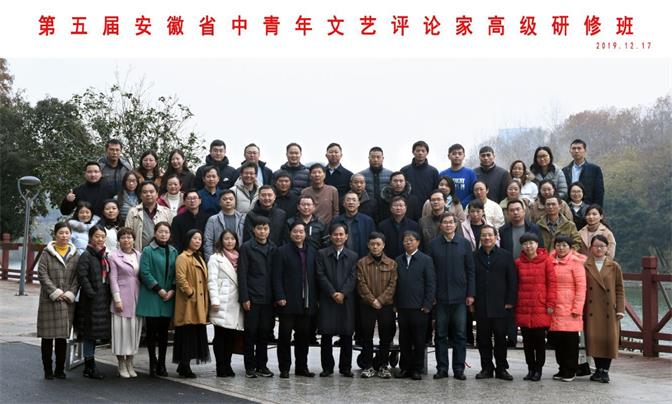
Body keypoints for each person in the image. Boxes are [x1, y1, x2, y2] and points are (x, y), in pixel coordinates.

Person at [428, 213, 474, 381]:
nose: (448, 225)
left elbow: (470, 270)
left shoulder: (464, 244)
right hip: (440, 298)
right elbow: (430, 272)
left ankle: (459, 369)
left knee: (460, 335)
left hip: (460, 297)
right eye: (445, 222)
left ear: (456, 225)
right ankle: (442, 368)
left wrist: (470, 294)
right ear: (440, 225)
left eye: (451, 222)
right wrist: (431, 294)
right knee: (440, 335)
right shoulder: (433, 245)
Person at [273, 222, 319, 378]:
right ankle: (284, 368)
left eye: (301, 231)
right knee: (285, 336)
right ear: (290, 233)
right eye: (295, 231)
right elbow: (276, 276)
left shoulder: (312, 251)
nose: (298, 234)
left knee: (303, 336)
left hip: (306, 301)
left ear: (305, 234)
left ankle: (302, 367)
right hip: (287, 301)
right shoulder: (282, 251)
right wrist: (280, 296)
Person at [473, 225, 518, 381]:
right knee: (483, 339)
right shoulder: (474, 256)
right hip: (481, 304)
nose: (487, 238)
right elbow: (471, 279)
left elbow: (512, 280)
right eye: (484, 235)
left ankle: (501, 368)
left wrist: (510, 301)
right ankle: (486, 368)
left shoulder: (505, 256)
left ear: (495, 237)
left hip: (501, 304)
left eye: (490, 235)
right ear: (480, 238)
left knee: (500, 338)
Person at [37, 222, 79, 380]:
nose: (64, 236)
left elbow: (78, 277)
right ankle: (47, 370)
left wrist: (70, 293)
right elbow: (42, 274)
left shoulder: (75, 254)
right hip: (49, 299)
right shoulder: (46, 253)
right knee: (47, 337)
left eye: (67, 233)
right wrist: (55, 292)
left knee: (62, 337)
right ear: (55, 234)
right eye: (61, 233)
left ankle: (60, 369)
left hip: (67, 301)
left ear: (70, 234)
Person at [316, 223, 359, 378]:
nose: (338, 237)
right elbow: (320, 275)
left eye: (341, 234)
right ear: (330, 236)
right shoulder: (321, 254)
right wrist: (333, 293)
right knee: (326, 334)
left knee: (346, 334)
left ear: (346, 237)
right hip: (327, 298)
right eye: (335, 234)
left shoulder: (353, 256)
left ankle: (345, 367)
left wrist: (343, 293)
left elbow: (353, 277)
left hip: (346, 300)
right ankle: (327, 367)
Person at [136, 222, 178, 377]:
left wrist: (172, 289)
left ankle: (162, 363)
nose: (163, 234)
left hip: (168, 296)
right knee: (152, 333)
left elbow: (177, 273)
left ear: (170, 234)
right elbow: (144, 272)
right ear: (155, 233)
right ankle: (152, 363)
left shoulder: (173, 251)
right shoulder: (148, 250)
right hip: (152, 295)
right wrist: (159, 289)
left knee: (164, 334)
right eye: (160, 231)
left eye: (166, 232)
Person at [514, 233, 557, 382]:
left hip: (540, 306)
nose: (528, 246)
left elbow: (552, 284)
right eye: (525, 244)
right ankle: (530, 368)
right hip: (524, 307)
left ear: (537, 244)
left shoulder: (546, 261)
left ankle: (538, 369)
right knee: (527, 342)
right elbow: (515, 285)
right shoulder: (518, 263)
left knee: (539, 341)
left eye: (531, 243)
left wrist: (550, 303)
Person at [238, 216, 277, 378]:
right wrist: (244, 298)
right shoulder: (246, 247)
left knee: (264, 333)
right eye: (259, 228)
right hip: (252, 297)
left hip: (268, 298)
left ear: (269, 230)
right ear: (253, 230)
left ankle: (262, 365)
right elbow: (242, 274)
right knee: (251, 333)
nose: (262, 232)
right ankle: (250, 366)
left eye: (265, 228)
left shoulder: (273, 248)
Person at [583, 234, 625, 383]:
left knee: (608, 339)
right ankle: (598, 370)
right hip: (592, 309)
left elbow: (619, 289)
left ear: (607, 248)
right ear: (591, 248)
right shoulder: (585, 265)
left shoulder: (614, 266)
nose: (599, 249)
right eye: (596, 246)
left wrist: (620, 309)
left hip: (610, 310)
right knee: (594, 339)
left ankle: (605, 371)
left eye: (602, 246)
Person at [395, 231, 436, 381]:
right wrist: (395, 303)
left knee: (419, 340)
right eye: (405, 240)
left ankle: (417, 369)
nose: (408, 243)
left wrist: (427, 304)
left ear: (418, 242)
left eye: (411, 240)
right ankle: (405, 367)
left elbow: (431, 283)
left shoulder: (426, 260)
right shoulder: (398, 260)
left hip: (420, 308)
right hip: (403, 306)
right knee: (404, 339)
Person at [356, 232, 398, 379]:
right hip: (367, 305)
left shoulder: (391, 263)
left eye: (378, 244)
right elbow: (361, 283)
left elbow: (393, 285)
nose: (375, 247)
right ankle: (368, 366)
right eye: (372, 244)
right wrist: (372, 300)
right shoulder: (361, 263)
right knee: (366, 336)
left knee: (385, 337)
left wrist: (380, 300)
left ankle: (383, 366)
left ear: (383, 245)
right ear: (368, 245)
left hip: (386, 305)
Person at [75, 225, 111, 379]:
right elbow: (82, 276)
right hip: (90, 301)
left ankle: (90, 365)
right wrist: (92, 293)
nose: (100, 239)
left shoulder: (104, 255)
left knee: (95, 334)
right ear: (91, 237)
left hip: (102, 300)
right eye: (97, 236)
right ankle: (89, 366)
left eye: (103, 236)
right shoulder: (86, 255)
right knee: (89, 334)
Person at [549, 235, 587, 382]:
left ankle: (571, 370)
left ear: (570, 247)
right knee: (558, 341)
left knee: (570, 342)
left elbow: (581, 287)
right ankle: (562, 368)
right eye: (558, 245)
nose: (561, 248)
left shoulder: (576, 263)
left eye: (564, 245)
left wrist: (577, 308)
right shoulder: (550, 261)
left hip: (570, 308)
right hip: (555, 307)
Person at [173, 229, 211, 378]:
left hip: (199, 302)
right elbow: (180, 278)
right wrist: (190, 292)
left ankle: (184, 364)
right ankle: (185, 365)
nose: (197, 241)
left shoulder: (199, 257)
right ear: (188, 239)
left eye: (200, 239)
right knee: (187, 333)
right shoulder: (183, 257)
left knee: (195, 333)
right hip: (189, 302)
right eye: (195, 238)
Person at [207, 229, 245, 378]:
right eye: (226, 239)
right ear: (221, 241)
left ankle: (228, 365)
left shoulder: (240, 257)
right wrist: (214, 300)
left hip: (235, 302)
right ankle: (220, 366)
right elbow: (212, 281)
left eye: (232, 239)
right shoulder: (215, 258)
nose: (230, 242)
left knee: (231, 336)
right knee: (220, 336)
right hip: (222, 301)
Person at [108, 227, 142, 378]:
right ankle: (121, 363)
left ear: (133, 239)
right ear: (118, 240)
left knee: (134, 332)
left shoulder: (139, 255)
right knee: (121, 332)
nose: (126, 240)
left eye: (129, 237)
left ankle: (130, 362)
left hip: (137, 298)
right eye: (123, 237)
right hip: (121, 298)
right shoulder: (114, 256)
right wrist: (117, 299)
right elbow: (113, 279)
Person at [125, 181, 174, 250]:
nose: (148, 194)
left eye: (151, 192)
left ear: (157, 194)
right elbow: (127, 234)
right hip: (139, 252)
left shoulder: (166, 212)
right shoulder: (133, 212)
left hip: (162, 252)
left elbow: (172, 234)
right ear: (140, 195)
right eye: (145, 192)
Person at [204, 190, 246, 261]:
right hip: (219, 258)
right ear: (220, 202)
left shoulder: (243, 219)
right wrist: (210, 260)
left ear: (235, 201)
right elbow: (208, 241)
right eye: (224, 199)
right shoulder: (213, 220)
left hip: (239, 258)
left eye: (231, 199)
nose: (228, 201)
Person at [332, 192, 376, 258]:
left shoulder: (367, 221)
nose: (351, 202)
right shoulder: (336, 221)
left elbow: (373, 241)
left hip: (363, 259)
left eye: (354, 200)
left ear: (358, 203)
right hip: (341, 258)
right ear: (343, 204)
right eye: (348, 200)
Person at [562, 139, 604, 206]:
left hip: (588, 207)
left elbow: (599, 192)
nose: (576, 151)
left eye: (579, 148)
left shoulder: (594, 169)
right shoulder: (565, 170)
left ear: (585, 150)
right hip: (569, 207)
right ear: (570, 151)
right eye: (573, 148)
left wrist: (597, 209)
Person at [171, 189, 210, 254]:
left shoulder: (208, 218)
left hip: (203, 254)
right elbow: (175, 242)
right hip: (184, 254)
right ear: (184, 202)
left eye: (195, 198)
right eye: (189, 198)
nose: (192, 201)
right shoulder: (177, 220)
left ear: (200, 201)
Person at [440, 143, 478, 207]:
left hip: (466, 209)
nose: (457, 156)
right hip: (446, 208)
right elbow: (439, 192)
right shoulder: (443, 174)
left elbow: (474, 192)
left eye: (460, 154)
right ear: (448, 156)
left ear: (464, 156)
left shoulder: (471, 173)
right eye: (454, 153)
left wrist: (462, 205)